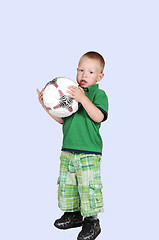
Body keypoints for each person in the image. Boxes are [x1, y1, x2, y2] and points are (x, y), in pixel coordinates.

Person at [37, 51, 109, 240]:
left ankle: (92, 221)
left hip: (89, 152)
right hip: (68, 149)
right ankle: (72, 214)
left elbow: (98, 116)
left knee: (88, 186)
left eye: (91, 72)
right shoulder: (68, 91)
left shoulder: (98, 94)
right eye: (81, 70)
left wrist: (83, 98)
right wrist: (48, 106)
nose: (84, 75)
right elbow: (62, 120)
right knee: (67, 185)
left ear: (100, 76)